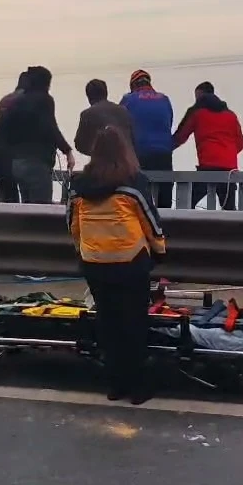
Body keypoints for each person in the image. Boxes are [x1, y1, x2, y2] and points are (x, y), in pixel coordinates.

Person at [68, 125, 165, 404]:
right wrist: (159, 251)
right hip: (130, 261)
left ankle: (115, 384)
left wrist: (83, 250)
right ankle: (137, 387)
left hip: (95, 262)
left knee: (108, 321)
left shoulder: (80, 186)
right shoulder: (134, 181)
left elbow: (73, 224)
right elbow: (149, 220)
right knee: (133, 322)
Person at [0, 65, 74, 204]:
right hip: (37, 163)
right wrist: (67, 151)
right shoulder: (44, 100)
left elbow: (6, 131)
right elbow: (50, 127)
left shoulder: (16, 102)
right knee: (41, 209)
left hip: (17, 163)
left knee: (27, 208)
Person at [173, 81, 243, 210]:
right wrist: (226, 154)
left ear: (199, 95)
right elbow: (240, 143)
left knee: (187, 203)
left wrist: (164, 149)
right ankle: (231, 230)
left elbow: (180, 137)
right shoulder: (230, 115)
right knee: (229, 210)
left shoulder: (196, 112)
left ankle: (191, 229)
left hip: (207, 167)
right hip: (229, 170)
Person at [120, 70, 174, 208]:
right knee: (165, 198)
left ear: (133, 85)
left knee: (137, 197)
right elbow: (169, 122)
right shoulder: (164, 99)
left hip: (139, 154)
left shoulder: (128, 100)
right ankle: (165, 224)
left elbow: (119, 125)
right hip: (164, 154)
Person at [0, 72, 29, 203]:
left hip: (0, 153)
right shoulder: (25, 100)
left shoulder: (5, 99)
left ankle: (6, 222)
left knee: (7, 198)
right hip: (17, 154)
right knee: (28, 198)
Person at [75, 79, 133, 157]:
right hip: (127, 161)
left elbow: (79, 145)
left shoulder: (87, 114)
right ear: (106, 93)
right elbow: (132, 138)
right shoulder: (123, 110)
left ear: (88, 97)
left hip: (103, 164)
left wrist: (96, 152)